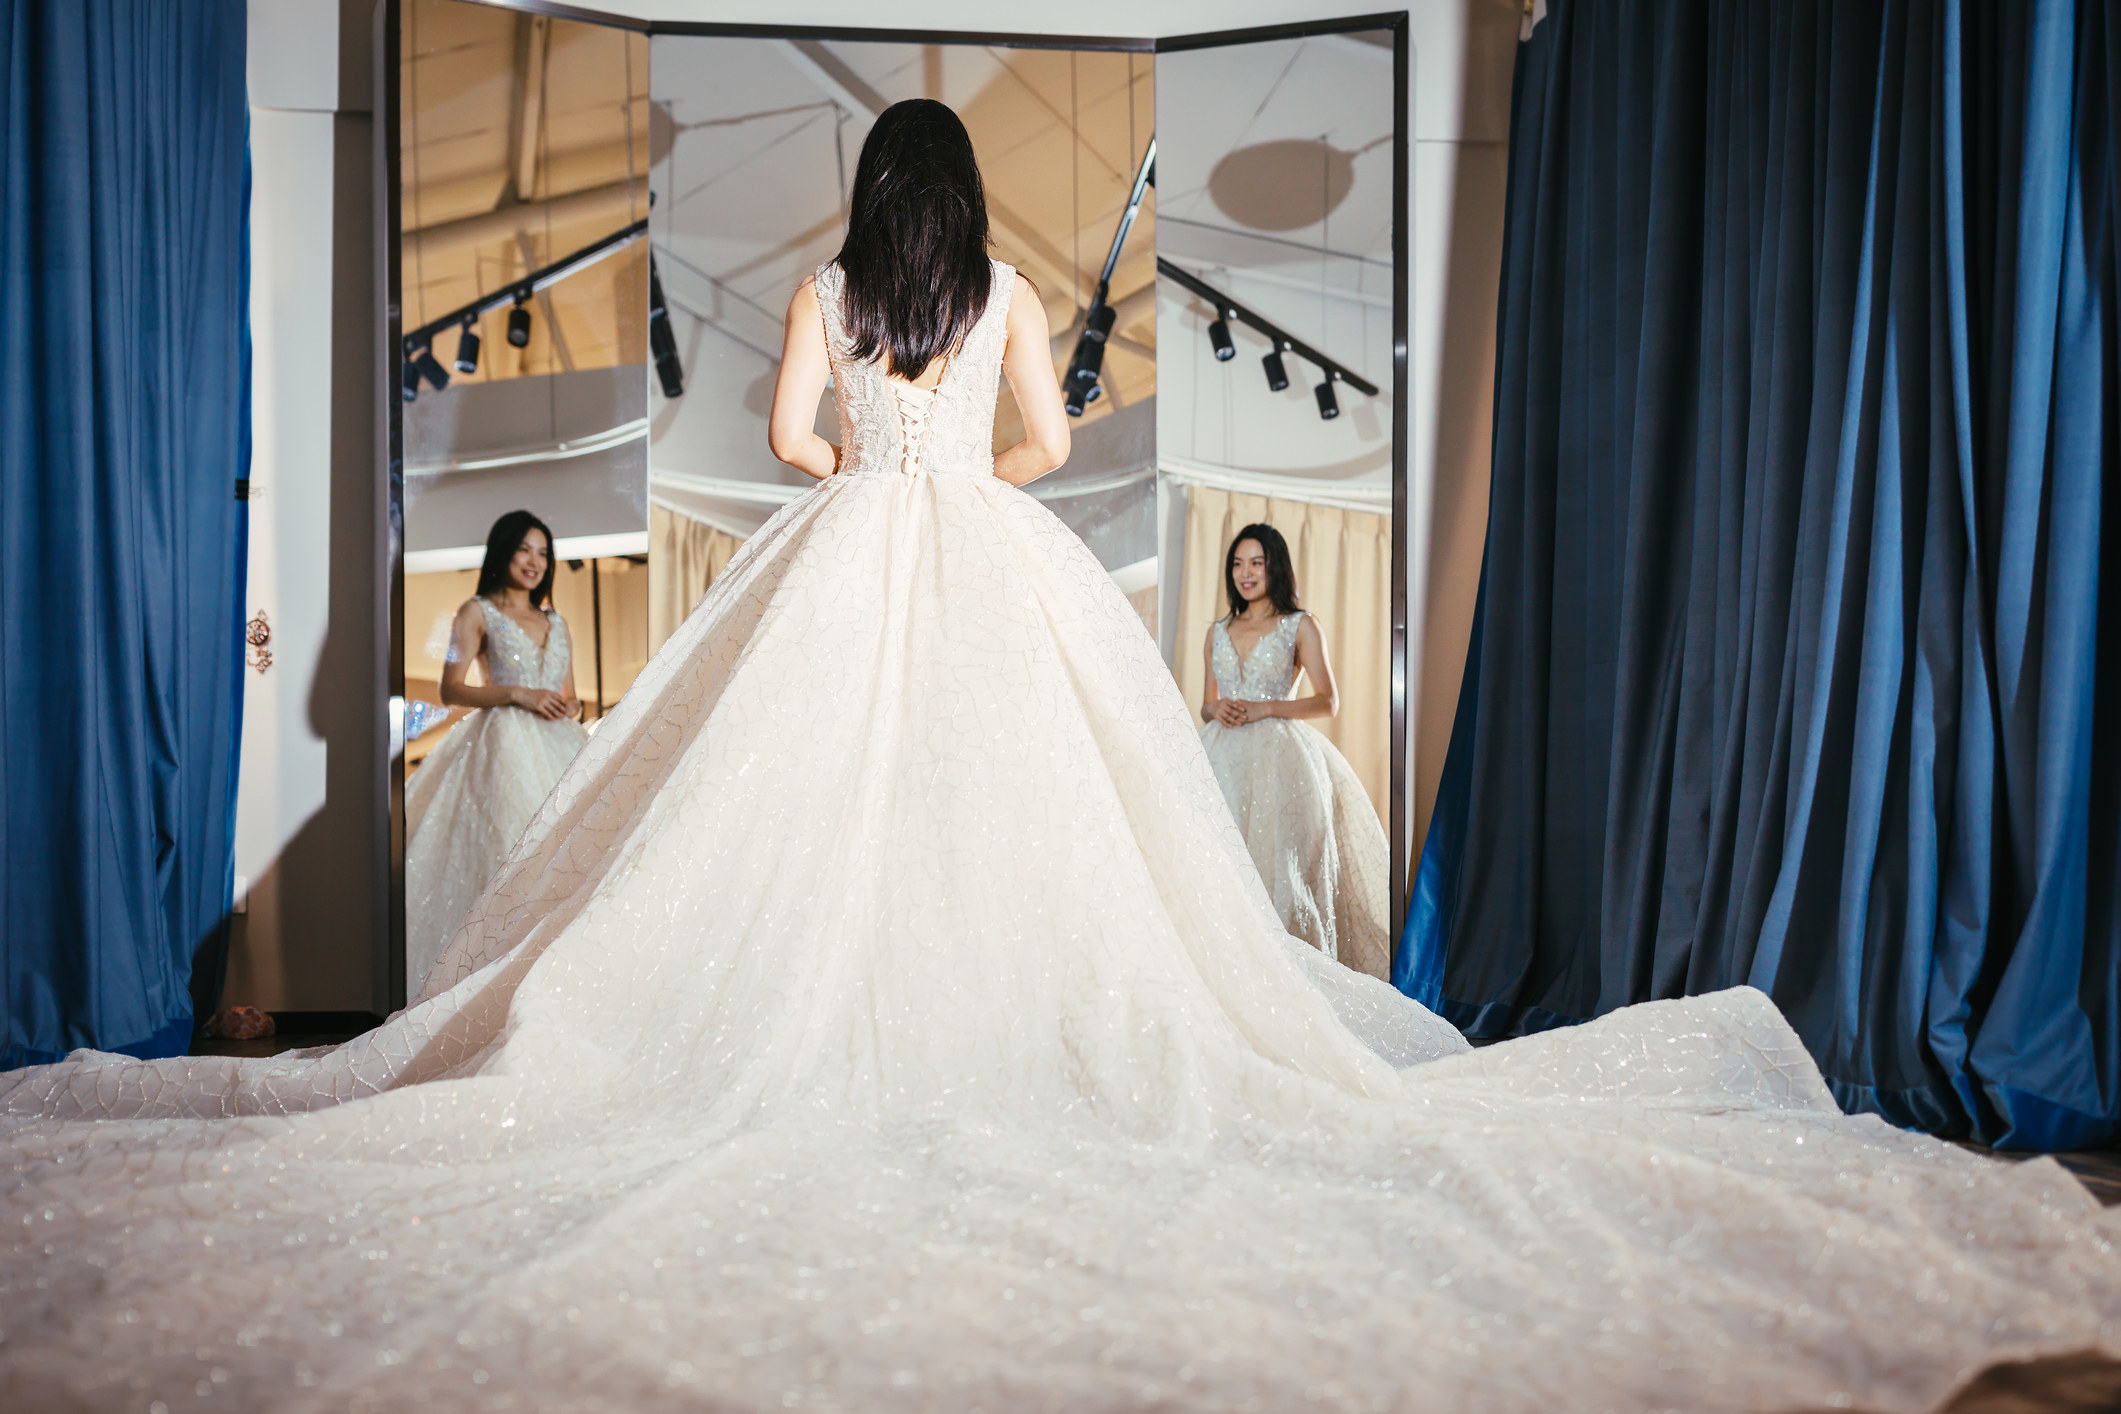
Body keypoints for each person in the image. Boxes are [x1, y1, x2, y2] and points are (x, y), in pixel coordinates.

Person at [1, 99, 2114, 1413]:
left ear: (862, 203)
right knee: (1032, 847)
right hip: (991, 565)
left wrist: (867, 437)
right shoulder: (1003, 286)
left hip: (845, 562)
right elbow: (1037, 450)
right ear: (970, 203)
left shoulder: (837, 289)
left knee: (798, 825)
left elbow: (802, 451)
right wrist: (974, 450)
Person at [403, 510, 585, 993]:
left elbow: (568, 694)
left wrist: (573, 704)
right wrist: (516, 694)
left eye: (543, 552)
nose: (535, 561)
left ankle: (549, 980)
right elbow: (449, 689)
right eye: (525, 549)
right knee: (507, 849)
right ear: (503, 551)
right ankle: (488, 980)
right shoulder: (476, 612)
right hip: (504, 742)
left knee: (565, 853)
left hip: (559, 745)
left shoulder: (557, 620)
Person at [1199, 523, 1392, 978]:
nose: (1245, 573)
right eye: (1238, 563)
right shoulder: (1217, 630)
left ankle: (1287, 977)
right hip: (1219, 757)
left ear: (1275, 568)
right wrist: (1216, 707)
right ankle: (1224, 971)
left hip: (1280, 759)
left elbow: (1329, 700)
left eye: (1257, 563)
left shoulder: (1299, 625)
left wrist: (1269, 706)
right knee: (1218, 861)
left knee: (1280, 870)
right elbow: (1206, 703)